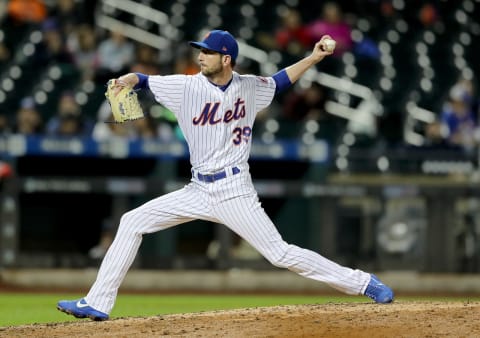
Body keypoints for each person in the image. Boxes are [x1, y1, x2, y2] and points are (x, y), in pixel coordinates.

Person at [57, 29, 394, 321]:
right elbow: (144, 81)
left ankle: (364, 283)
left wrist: (313, 57)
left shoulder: (249, 87)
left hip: (235, 191)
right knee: (132, 221)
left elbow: (280, 80)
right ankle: (98, 303)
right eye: (200, 50)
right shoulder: (186, 86)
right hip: (197, 189)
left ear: (226, 58)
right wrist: (131, 78)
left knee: (280, 254)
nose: (200, 56)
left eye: (208, 52)